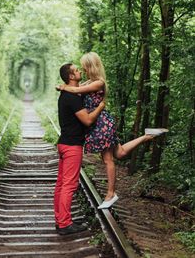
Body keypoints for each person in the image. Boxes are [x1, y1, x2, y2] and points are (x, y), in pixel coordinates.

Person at [57, 52, 168, 209]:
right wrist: (67, 87)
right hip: (100, 123)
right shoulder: (89, 81)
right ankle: (147, 135)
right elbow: (77, 89)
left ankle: (111, 193)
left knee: (108, 159)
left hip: (101, 124)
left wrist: (63, 86)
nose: (82, 70)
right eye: (80, 68)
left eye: (84, 67)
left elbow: (75, 91)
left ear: (90, 66)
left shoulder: (98, 83)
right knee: (120, 152)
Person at [54, 63, 105, 235]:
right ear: (71, 77)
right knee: (69, 185)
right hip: (72, 146)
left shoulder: (67, 93)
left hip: (64, 144)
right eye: (76, 70)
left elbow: (84, 87)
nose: (80, 71)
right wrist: (100, 107)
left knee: (61, 185)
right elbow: (88, 120)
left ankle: (61, 219)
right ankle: (64, 224)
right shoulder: (72, 97)